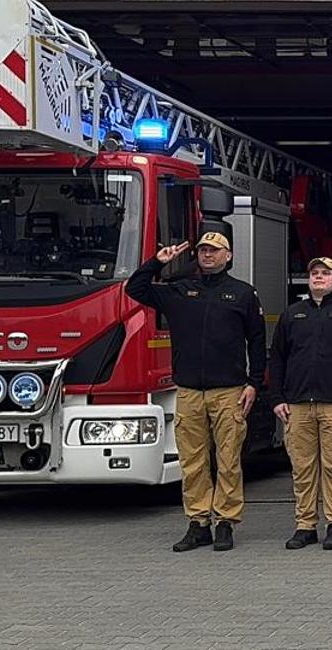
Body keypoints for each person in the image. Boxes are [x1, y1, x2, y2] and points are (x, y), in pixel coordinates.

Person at [124, 230, 265, 553]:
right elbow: (136, 289)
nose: (207, 255)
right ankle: (199, 523)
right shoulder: (179, 290)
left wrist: (254, 383)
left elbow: (257, 341)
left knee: (228, 460)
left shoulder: (242, 294)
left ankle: (226, 522)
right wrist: (157, 263)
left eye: (214, 251)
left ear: (228, 256)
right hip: (188, 391)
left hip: (228, 391)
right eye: (203, 250)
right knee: (192, 461)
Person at [269, 256, 332, 551]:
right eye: (314, 273)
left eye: (326, 273)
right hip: (298, 405)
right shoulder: (292, 315)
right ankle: (305, 526)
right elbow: (277, 359)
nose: (318, 277)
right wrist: (277, 398)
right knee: (302, 468)